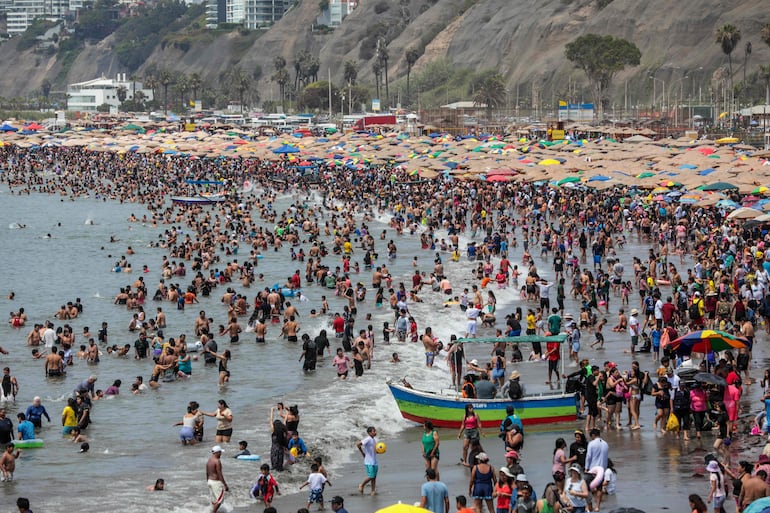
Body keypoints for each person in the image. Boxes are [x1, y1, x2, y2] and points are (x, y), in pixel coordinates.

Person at [206, 445, 229, 513]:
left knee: (214, 500)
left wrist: (208, 481)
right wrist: (225, 484)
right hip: (216, 482)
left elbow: (207, 472)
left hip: (210, 481)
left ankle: (213, 511)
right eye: (220, 452)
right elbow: (219, 474)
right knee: (220, 500)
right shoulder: (217, 461)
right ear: (217, 452)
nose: (221, 454)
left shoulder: (209, 460)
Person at [356, 426, 378, 495]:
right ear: (369, 433)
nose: (375, 432)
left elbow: (373, 450)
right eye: (373, 431)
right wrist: (362, 453)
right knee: (371, 476)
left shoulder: (374, 439)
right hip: (369, 461)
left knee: (374, 477)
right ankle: (362, 485)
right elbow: (358, 444)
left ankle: (373, 491)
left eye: (375, 431)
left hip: (374, 461)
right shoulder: (368, 439)